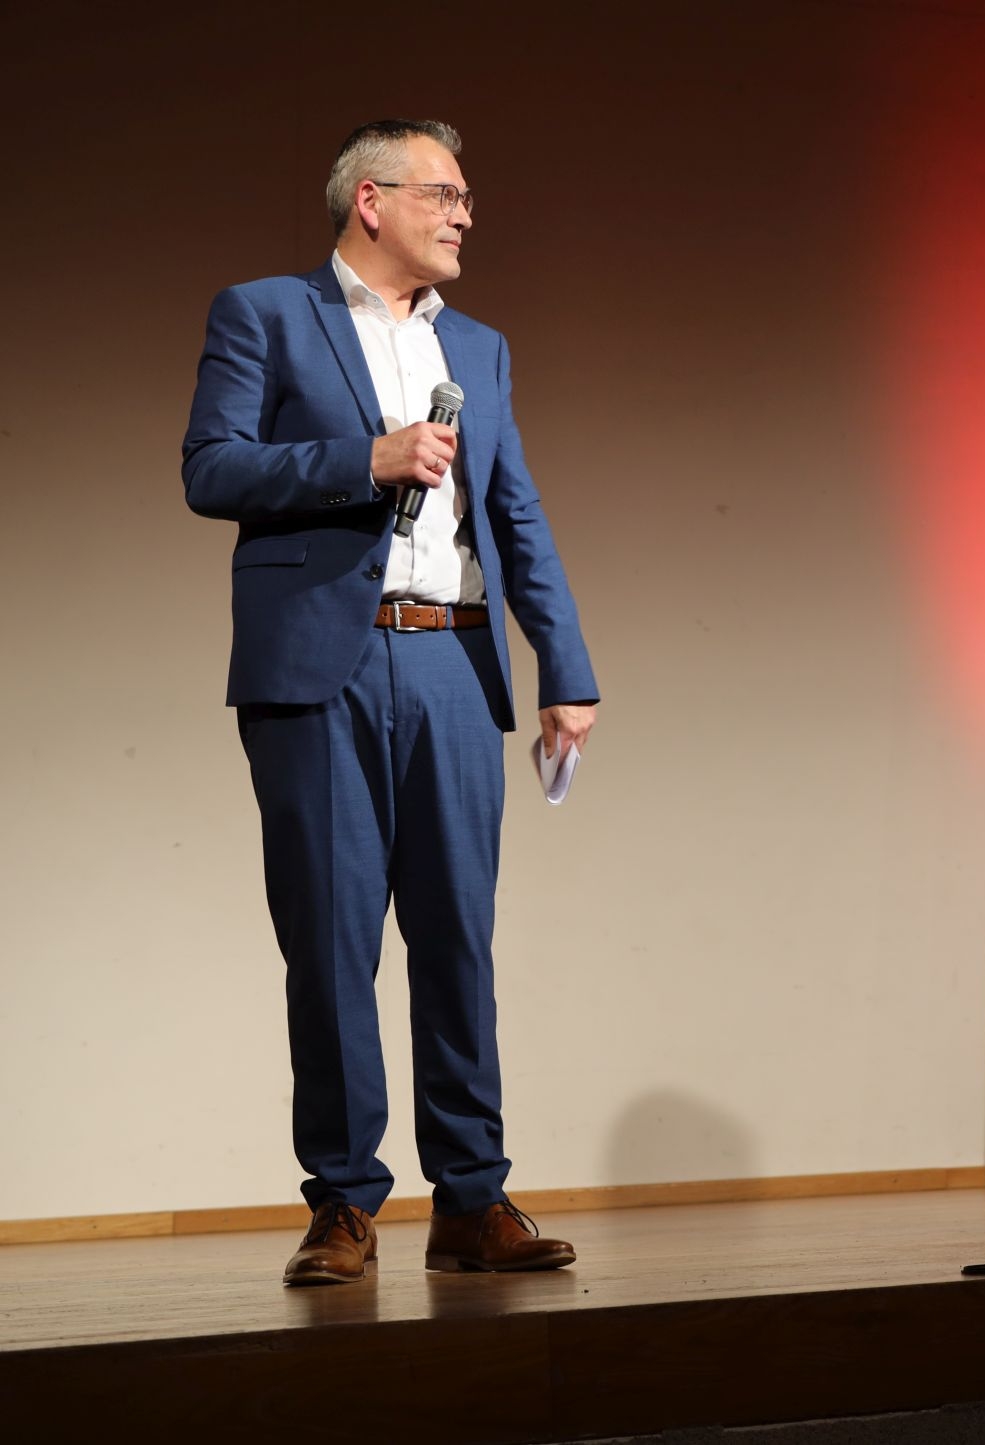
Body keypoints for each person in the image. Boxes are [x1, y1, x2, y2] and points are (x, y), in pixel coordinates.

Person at [183, 119, 599, 1283]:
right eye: (443, 193)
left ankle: (473, 1198)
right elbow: (210, 466)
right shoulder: (267, 314)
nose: (465, 213)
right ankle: (343, 1201)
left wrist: (564, 667)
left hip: (454, 662)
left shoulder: (481, 347)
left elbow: (515, 511)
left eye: (467, 197)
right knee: (330, 938)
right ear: (371, 200)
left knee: (458, 935)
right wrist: (362, 459)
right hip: (327, 666)